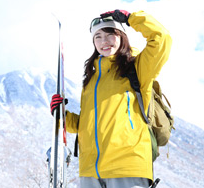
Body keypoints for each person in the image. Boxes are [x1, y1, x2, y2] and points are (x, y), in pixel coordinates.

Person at [50, 10, 172, 188]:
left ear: (122, 36)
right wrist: (61, 114)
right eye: (97, 37)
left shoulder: (137, 68)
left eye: (110, 34)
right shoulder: (90, 79)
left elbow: (162, 38)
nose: (104, 41)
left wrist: (131, 18)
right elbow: (83, 125)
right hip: (90, 171)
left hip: (127, 166)